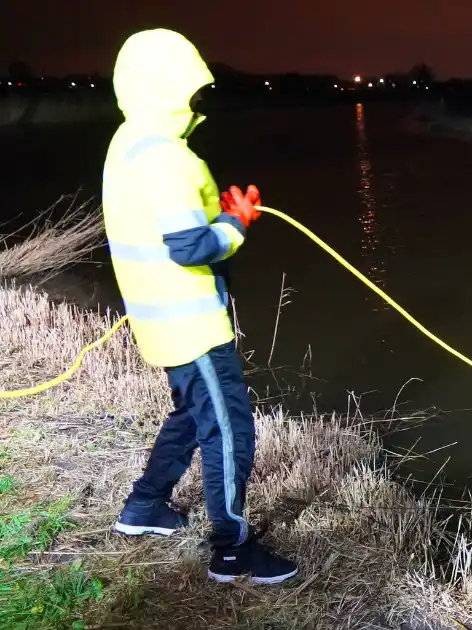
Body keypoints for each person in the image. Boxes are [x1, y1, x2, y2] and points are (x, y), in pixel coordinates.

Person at [102, 28, 297, 585]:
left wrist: (221, 217)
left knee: (191, 415)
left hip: (159, 320)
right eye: (191, 88)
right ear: (171, 89)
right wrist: (236, 225)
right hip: (191, 324)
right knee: (229, 428)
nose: (196, 99)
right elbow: (189, 246)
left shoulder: (128, 141)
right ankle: (232, 549)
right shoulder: (165, 156)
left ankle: (144, 509)